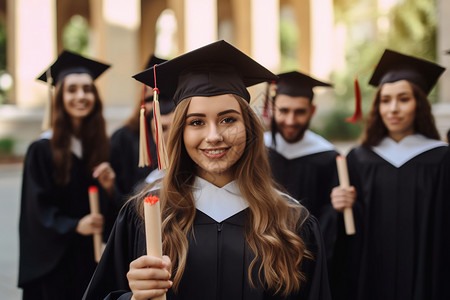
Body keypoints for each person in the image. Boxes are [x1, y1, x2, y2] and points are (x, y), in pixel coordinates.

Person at [83, 40, 332, 300]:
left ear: (249, 127)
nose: (213, 136)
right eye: (197, 122)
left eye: (228, 119)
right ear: (180, 132)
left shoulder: (292, 221)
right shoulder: (144, 215)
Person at [330, 49, 450, 300]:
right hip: (370, 279)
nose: (393, 109)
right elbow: (343, 240)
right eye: (385, 100)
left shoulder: (440, 158)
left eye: (403, 99)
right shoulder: (359, 159)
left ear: (419, 103)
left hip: (426, 279)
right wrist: (337, 209)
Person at [18, 50, 117, 300]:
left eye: (87, 89)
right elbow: (36, 212)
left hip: (90, 261)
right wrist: (75, 225)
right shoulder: (41, 149)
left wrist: (110, 188)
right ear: (59, 96)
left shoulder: (100, 146)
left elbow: (115, 210)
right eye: (72, 90)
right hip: (55, 267)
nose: (81, 96)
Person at [264, 71, 339, 269]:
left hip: (309, 258)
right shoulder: (256, 151)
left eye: (299, 112)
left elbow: (332, 219)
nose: (290, 120)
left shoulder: (328, 157)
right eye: (284, 110)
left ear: (312, 110)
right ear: (272, 107)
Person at [110, 54, 168, 201]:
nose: (157, 107)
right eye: (150, 100)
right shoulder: (122, 138)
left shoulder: (184, 138)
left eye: (163, 99)